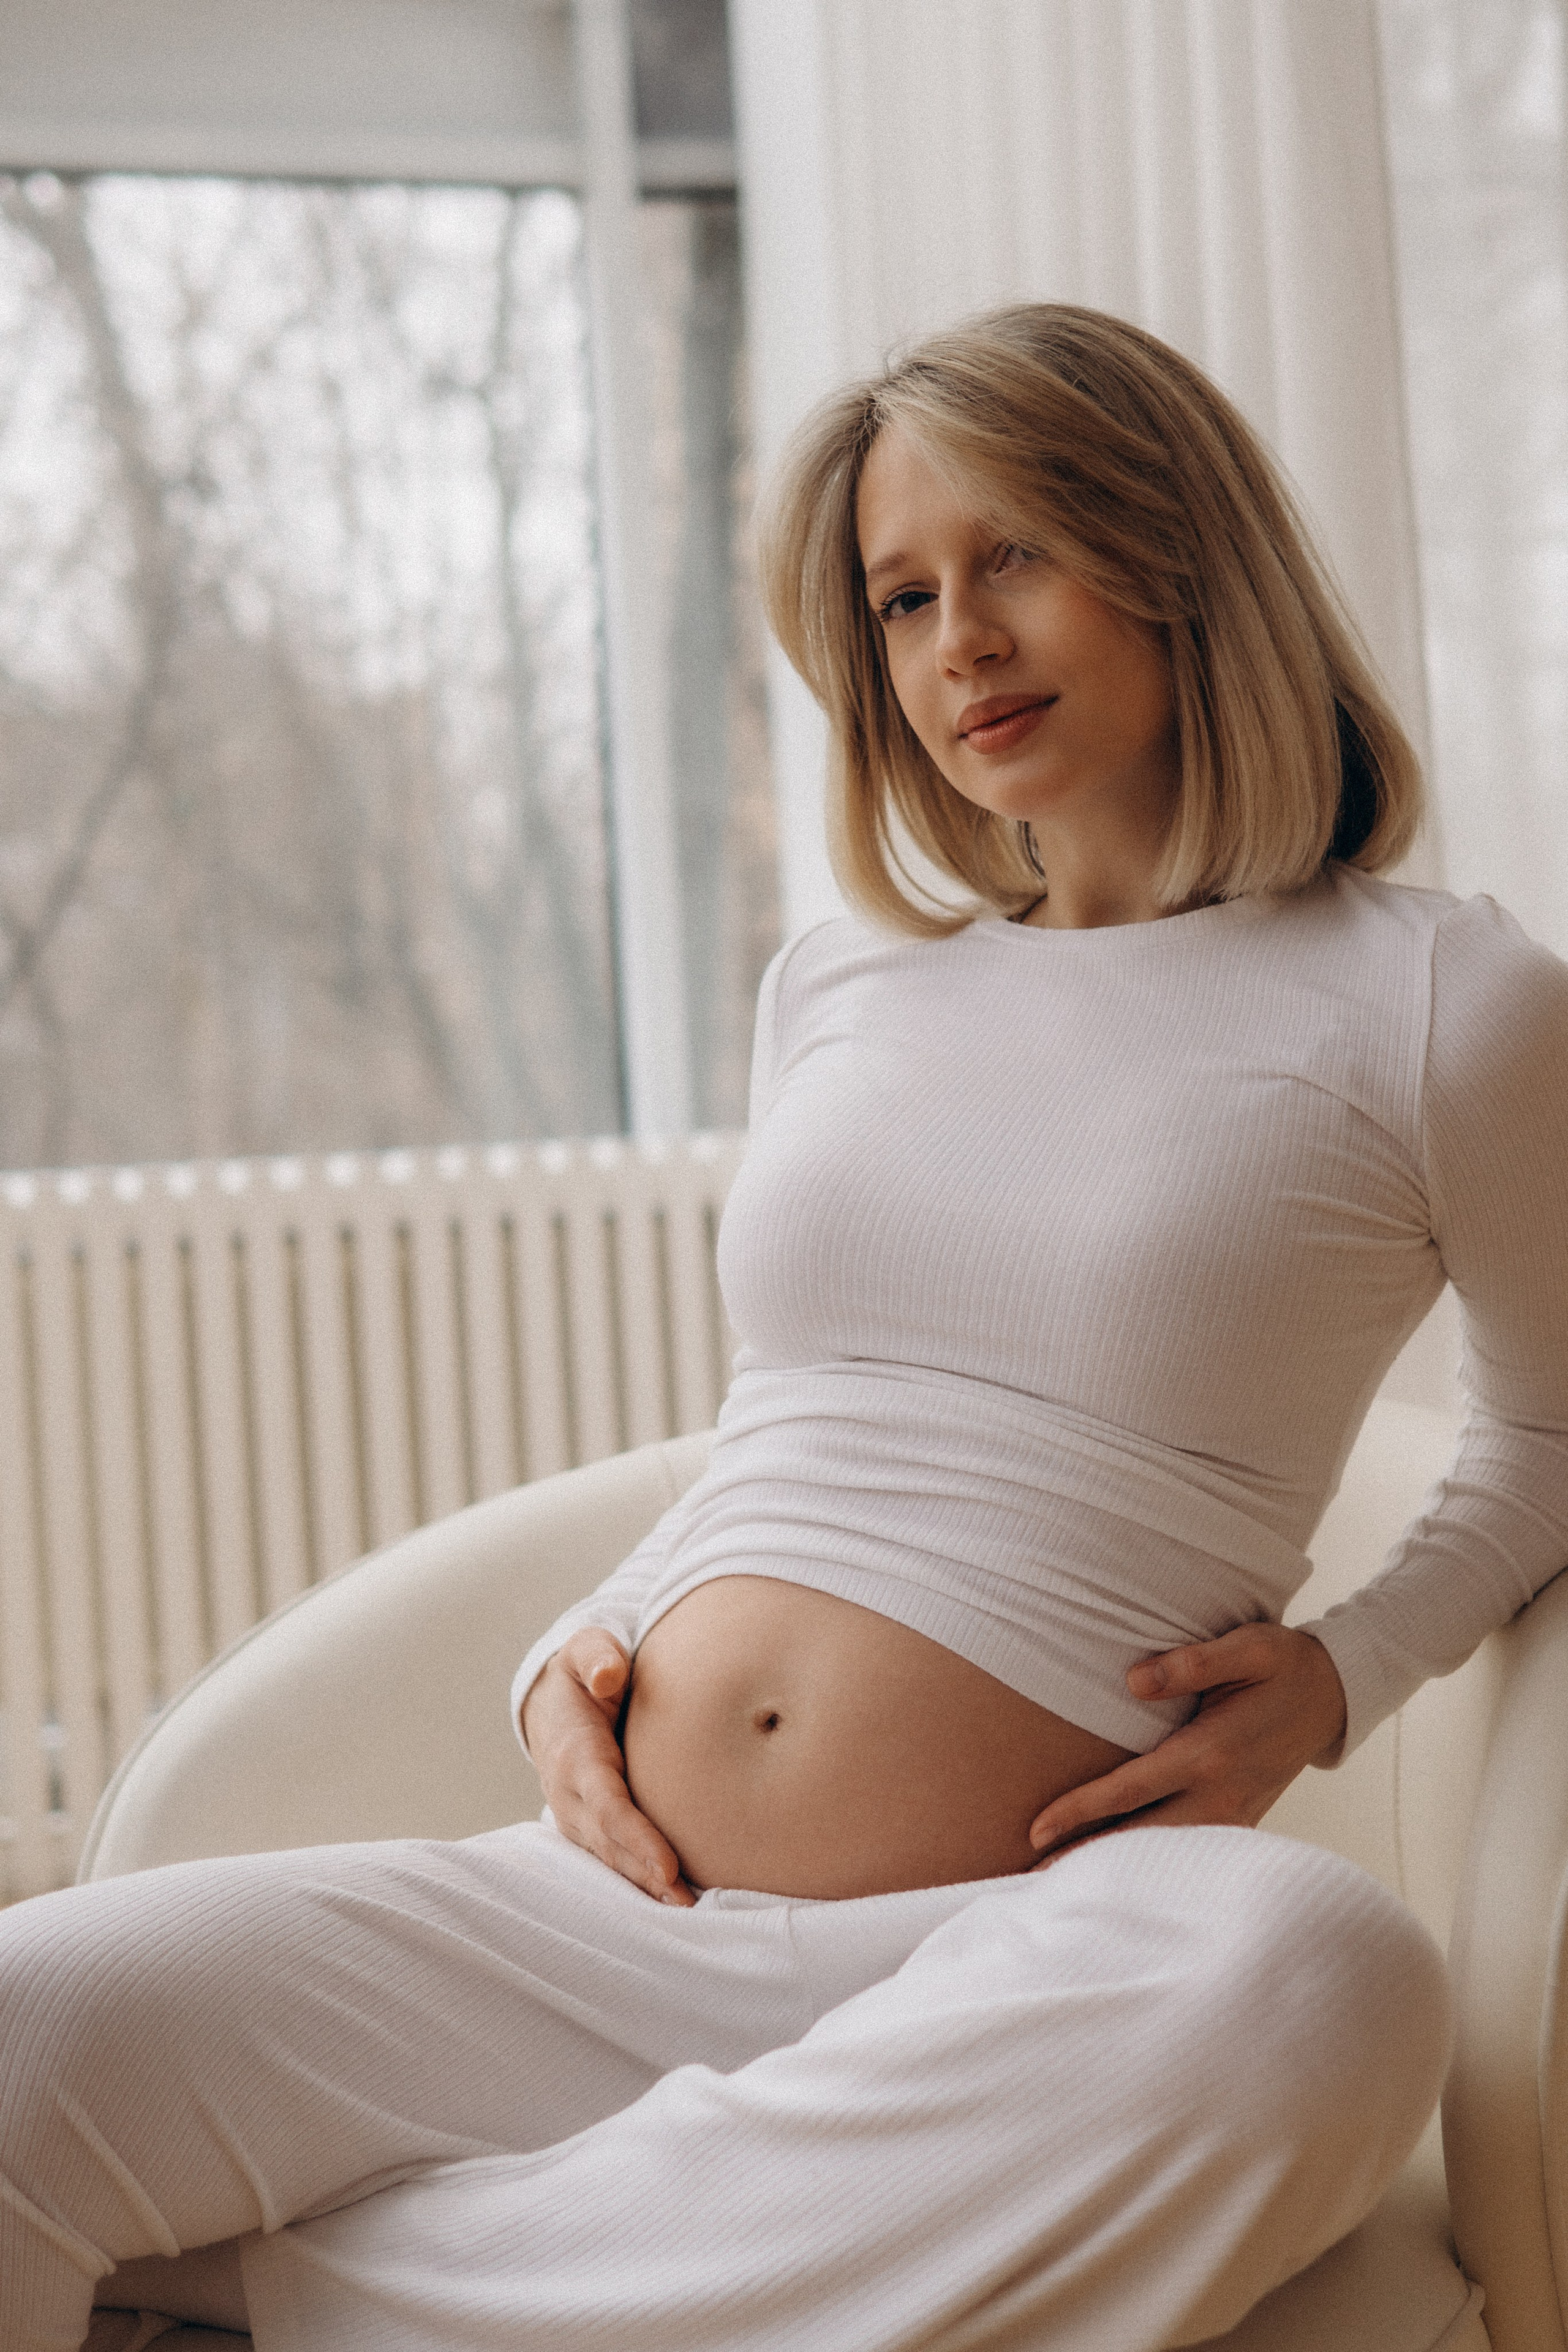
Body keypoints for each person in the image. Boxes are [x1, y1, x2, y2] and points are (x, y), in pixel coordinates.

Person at [4, 303, 1565, 2352]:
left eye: (1013, 557)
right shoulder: (846, 990)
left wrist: (1344, 1678)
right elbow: (792, 1416)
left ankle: (317, 2295)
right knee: (31, 2023)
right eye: (901, 599)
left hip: (1033, 1946)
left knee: (1322, 1982)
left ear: (1179, 554)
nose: (955, 647)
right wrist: (587, 1652)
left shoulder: (1440, 1001)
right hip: (610, 1920)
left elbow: (1551, 1439)